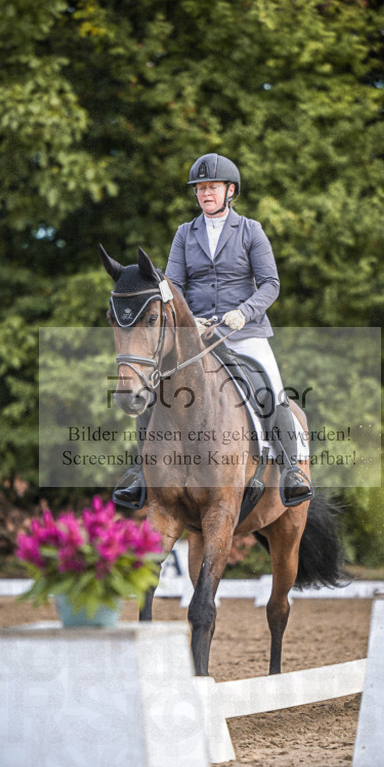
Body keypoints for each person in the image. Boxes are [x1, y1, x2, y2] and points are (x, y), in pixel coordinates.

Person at [112, 152, 314, 510]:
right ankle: (139, 473)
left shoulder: (251, 230)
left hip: (246, 331)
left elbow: (270, 283)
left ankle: (289, 471)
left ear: (229, 190)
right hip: (199, 334)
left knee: (272, 387)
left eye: (212, 187)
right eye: (200, 188)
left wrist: (243, 312)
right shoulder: (184, 234)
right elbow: (172, 286)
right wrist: (192, 319)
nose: (205, 194)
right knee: (155, 388)